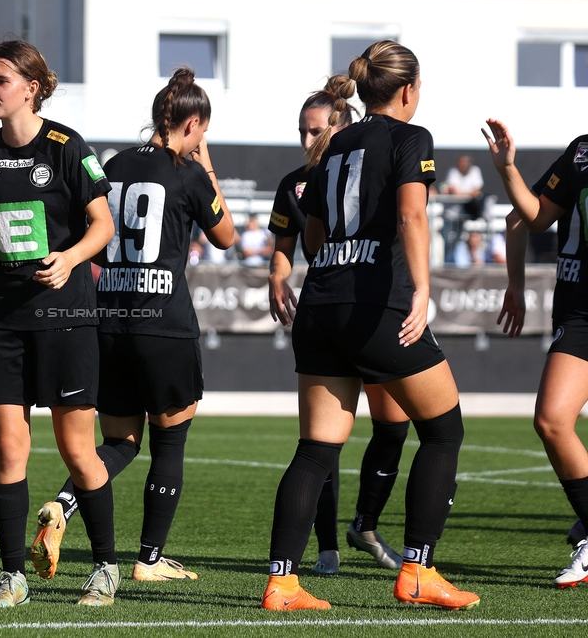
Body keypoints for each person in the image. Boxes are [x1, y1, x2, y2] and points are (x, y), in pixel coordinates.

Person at [262, 41, 479, 612]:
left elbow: (311, 238)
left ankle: (282, 582)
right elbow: (410, 213)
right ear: (408, 89)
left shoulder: (332, 147)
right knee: (443, 431)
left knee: (314, 451)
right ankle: (417, 571)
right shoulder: (412, 137)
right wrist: (424, 291)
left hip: (321, 305)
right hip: (377, 307)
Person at [29, 67, 234, 585]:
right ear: (191, 124)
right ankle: (149, 559)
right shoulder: (188, 172)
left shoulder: (115, 163)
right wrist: (205, 166)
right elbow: (227, 236)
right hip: (164, 324)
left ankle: (62, 505)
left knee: (120, 442)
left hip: (109, 321)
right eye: (202, 132)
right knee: (170, 443)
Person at [0, 40, 117, 607]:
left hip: (67, 316)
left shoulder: (67, 146)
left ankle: (105, 568)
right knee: (8, 451)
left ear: (32, 86)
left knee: (78, 450)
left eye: (0, 79)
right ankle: (12, 576)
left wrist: (70, 259)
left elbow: (103, 225)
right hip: (3, 317)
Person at [268, 77, 410, 577]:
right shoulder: (295, 184)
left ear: (343, 127)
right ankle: (326, 545)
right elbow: (286, 247)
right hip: (332, 311)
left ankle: (364, 525)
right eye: (302, 132)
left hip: (371, 309)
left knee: (393, 424)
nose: (308, 142)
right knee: (323, 443)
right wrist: (277, 277)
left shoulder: (370, 168)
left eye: (315, 132)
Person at [485, 118, 588, 588]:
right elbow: (531, 217)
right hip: (579, 311)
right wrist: (508, 168)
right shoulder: (581, 151)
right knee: (551, 420)